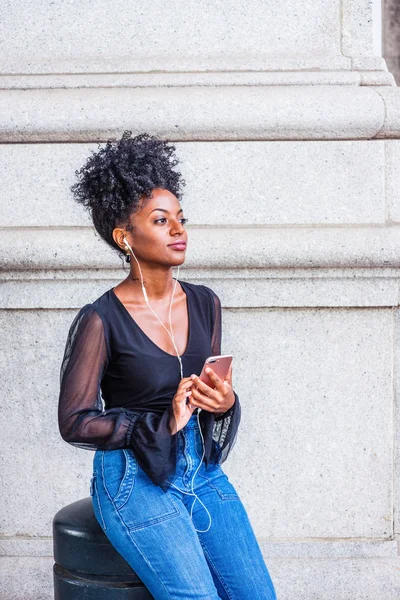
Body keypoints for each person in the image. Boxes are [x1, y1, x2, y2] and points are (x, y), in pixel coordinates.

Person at [58, 131, 277, 599]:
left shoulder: (205, 303)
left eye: (181, 218)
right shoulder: (101, 319)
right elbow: (75, 422)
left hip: (199, 467)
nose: (179, 230)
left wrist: (222, 402)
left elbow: (212, 397)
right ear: (125, 237)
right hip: (132, 476)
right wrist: (160, 421)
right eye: (161, 221)